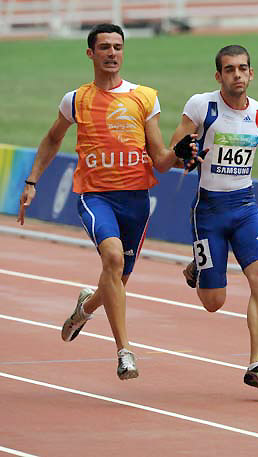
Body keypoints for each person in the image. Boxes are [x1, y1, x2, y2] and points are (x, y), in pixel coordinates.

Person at [17, 23, 196, 381]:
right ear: (91, 54)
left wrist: (179, 156)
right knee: (112, 258)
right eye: (104, 47)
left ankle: (85, 307)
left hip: (136, 200)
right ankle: (124, 352)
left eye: (118, 47)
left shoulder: (144, 97)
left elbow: (159, 158)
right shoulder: (76, 99)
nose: (112, 53)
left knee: (116, 282)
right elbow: (52, 139)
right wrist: (31, 181)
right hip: (94, 195)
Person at [170, 45, 258, 393]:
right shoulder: (202, 106)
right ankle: (198, 265)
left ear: (251, 73)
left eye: (242, 68)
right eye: (229, 69)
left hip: (245, 208)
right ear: (218, 76)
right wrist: (184, 152)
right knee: (214, 302)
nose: (237, 74)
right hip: (208, 211)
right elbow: (176, 147)